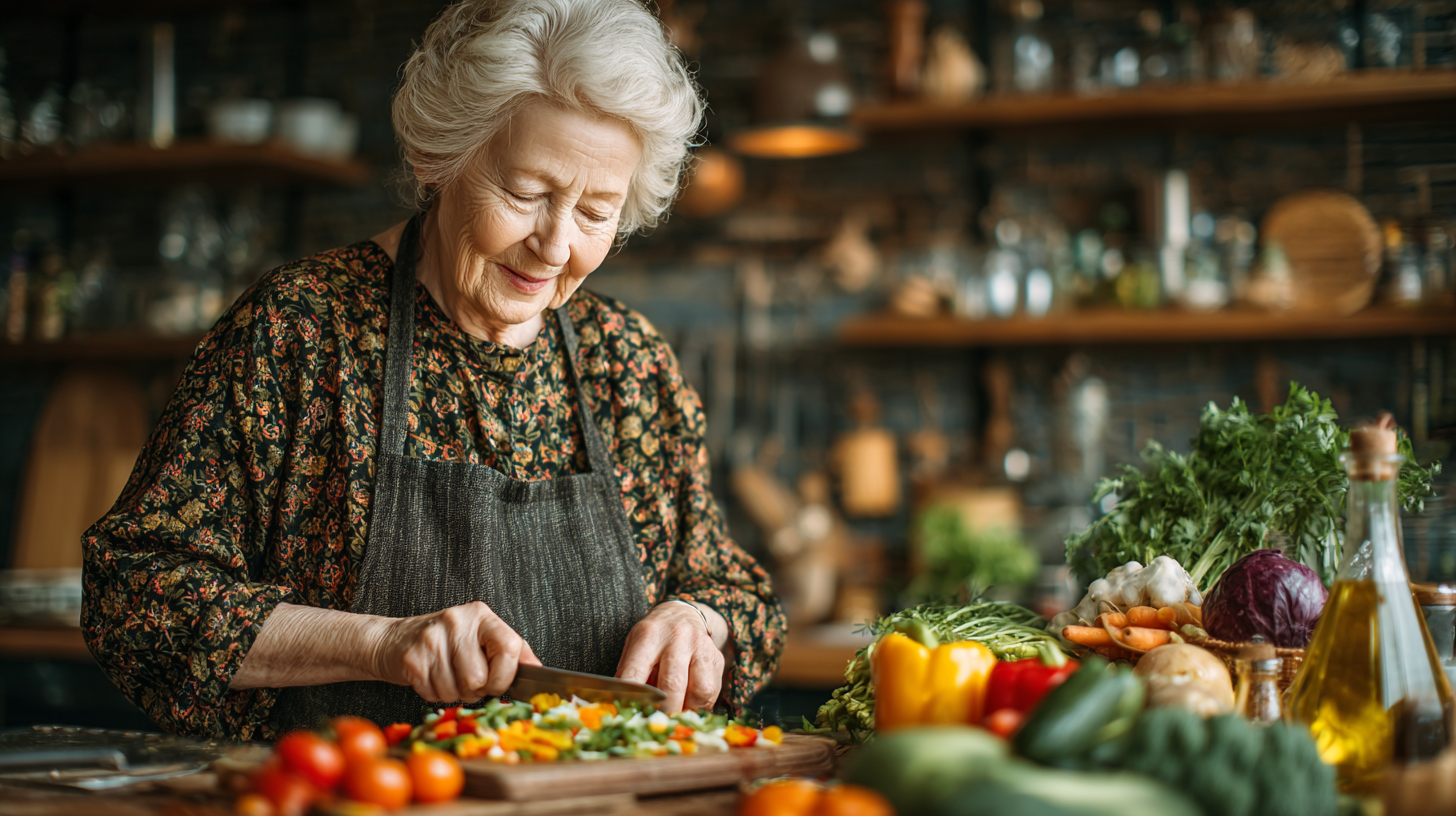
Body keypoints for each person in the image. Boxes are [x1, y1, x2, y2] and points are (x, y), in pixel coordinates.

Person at [81, 0, 785, 739]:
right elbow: (135, 595)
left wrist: (699, 621)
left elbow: (737, 595)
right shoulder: (300, 331)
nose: (554, 245)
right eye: (527, 194)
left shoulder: (631, 367)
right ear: (438, 159)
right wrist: (382, 644)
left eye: (596, 212)